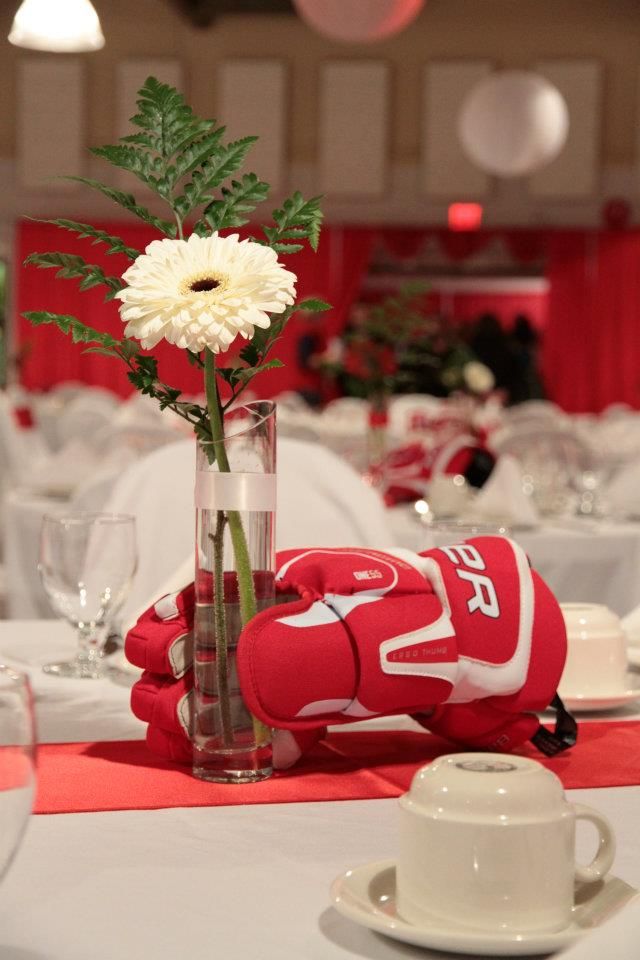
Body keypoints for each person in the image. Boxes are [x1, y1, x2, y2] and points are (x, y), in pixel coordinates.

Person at [468, 312, 519, 405]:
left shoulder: (474, 346)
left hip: (482, 395)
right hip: (501, 394)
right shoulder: (506, 347)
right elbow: (514, 374)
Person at [510, 313, 546, 404]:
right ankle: (533, 400)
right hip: (528, 359)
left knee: (524, 381)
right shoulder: (530, 333)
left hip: (520, 360)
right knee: (531, 381)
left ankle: (526, 400)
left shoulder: (515, 333)